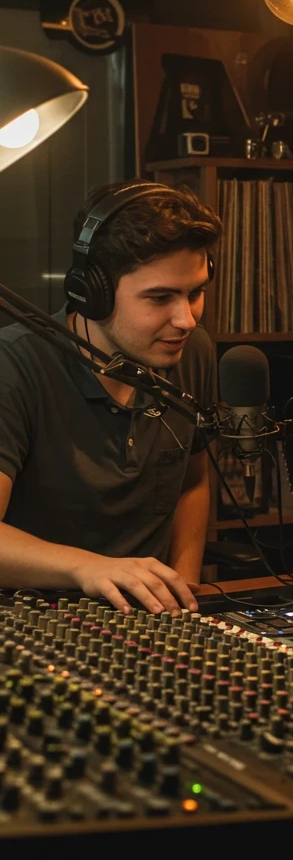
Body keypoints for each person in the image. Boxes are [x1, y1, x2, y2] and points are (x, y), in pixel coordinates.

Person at [0, 181, 222, 618]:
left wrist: (184, 589)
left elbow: (192, 482)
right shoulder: (13, 366)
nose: (186, 319)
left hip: (150, 622)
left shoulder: (191, 352)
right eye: (160, 298)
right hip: (31, 619)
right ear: (92, 292)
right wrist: (90, 568)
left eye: (194, 293)